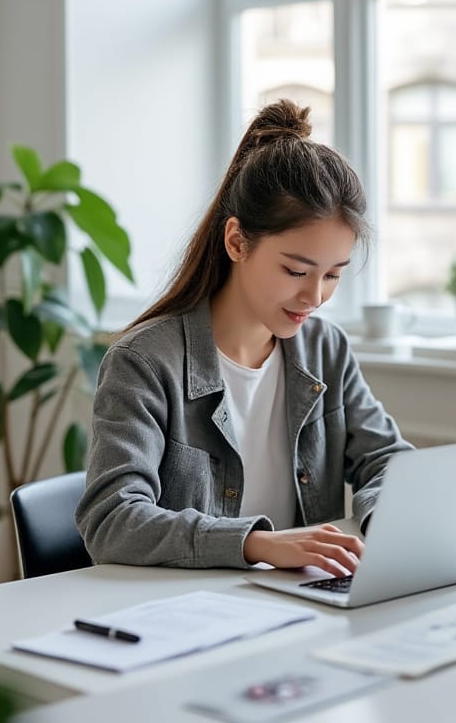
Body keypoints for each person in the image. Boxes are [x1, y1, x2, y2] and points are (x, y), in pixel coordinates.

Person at [75, 99, 412, 578]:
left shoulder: (325, 349)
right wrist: (257, 545)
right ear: (236, 242)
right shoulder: (145, 362)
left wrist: (388, 520)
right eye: (296, 270)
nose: (314, 296)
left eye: (333, 275)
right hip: (185, 611)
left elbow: (387, 459)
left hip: (299, 603)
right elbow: (112, 520)